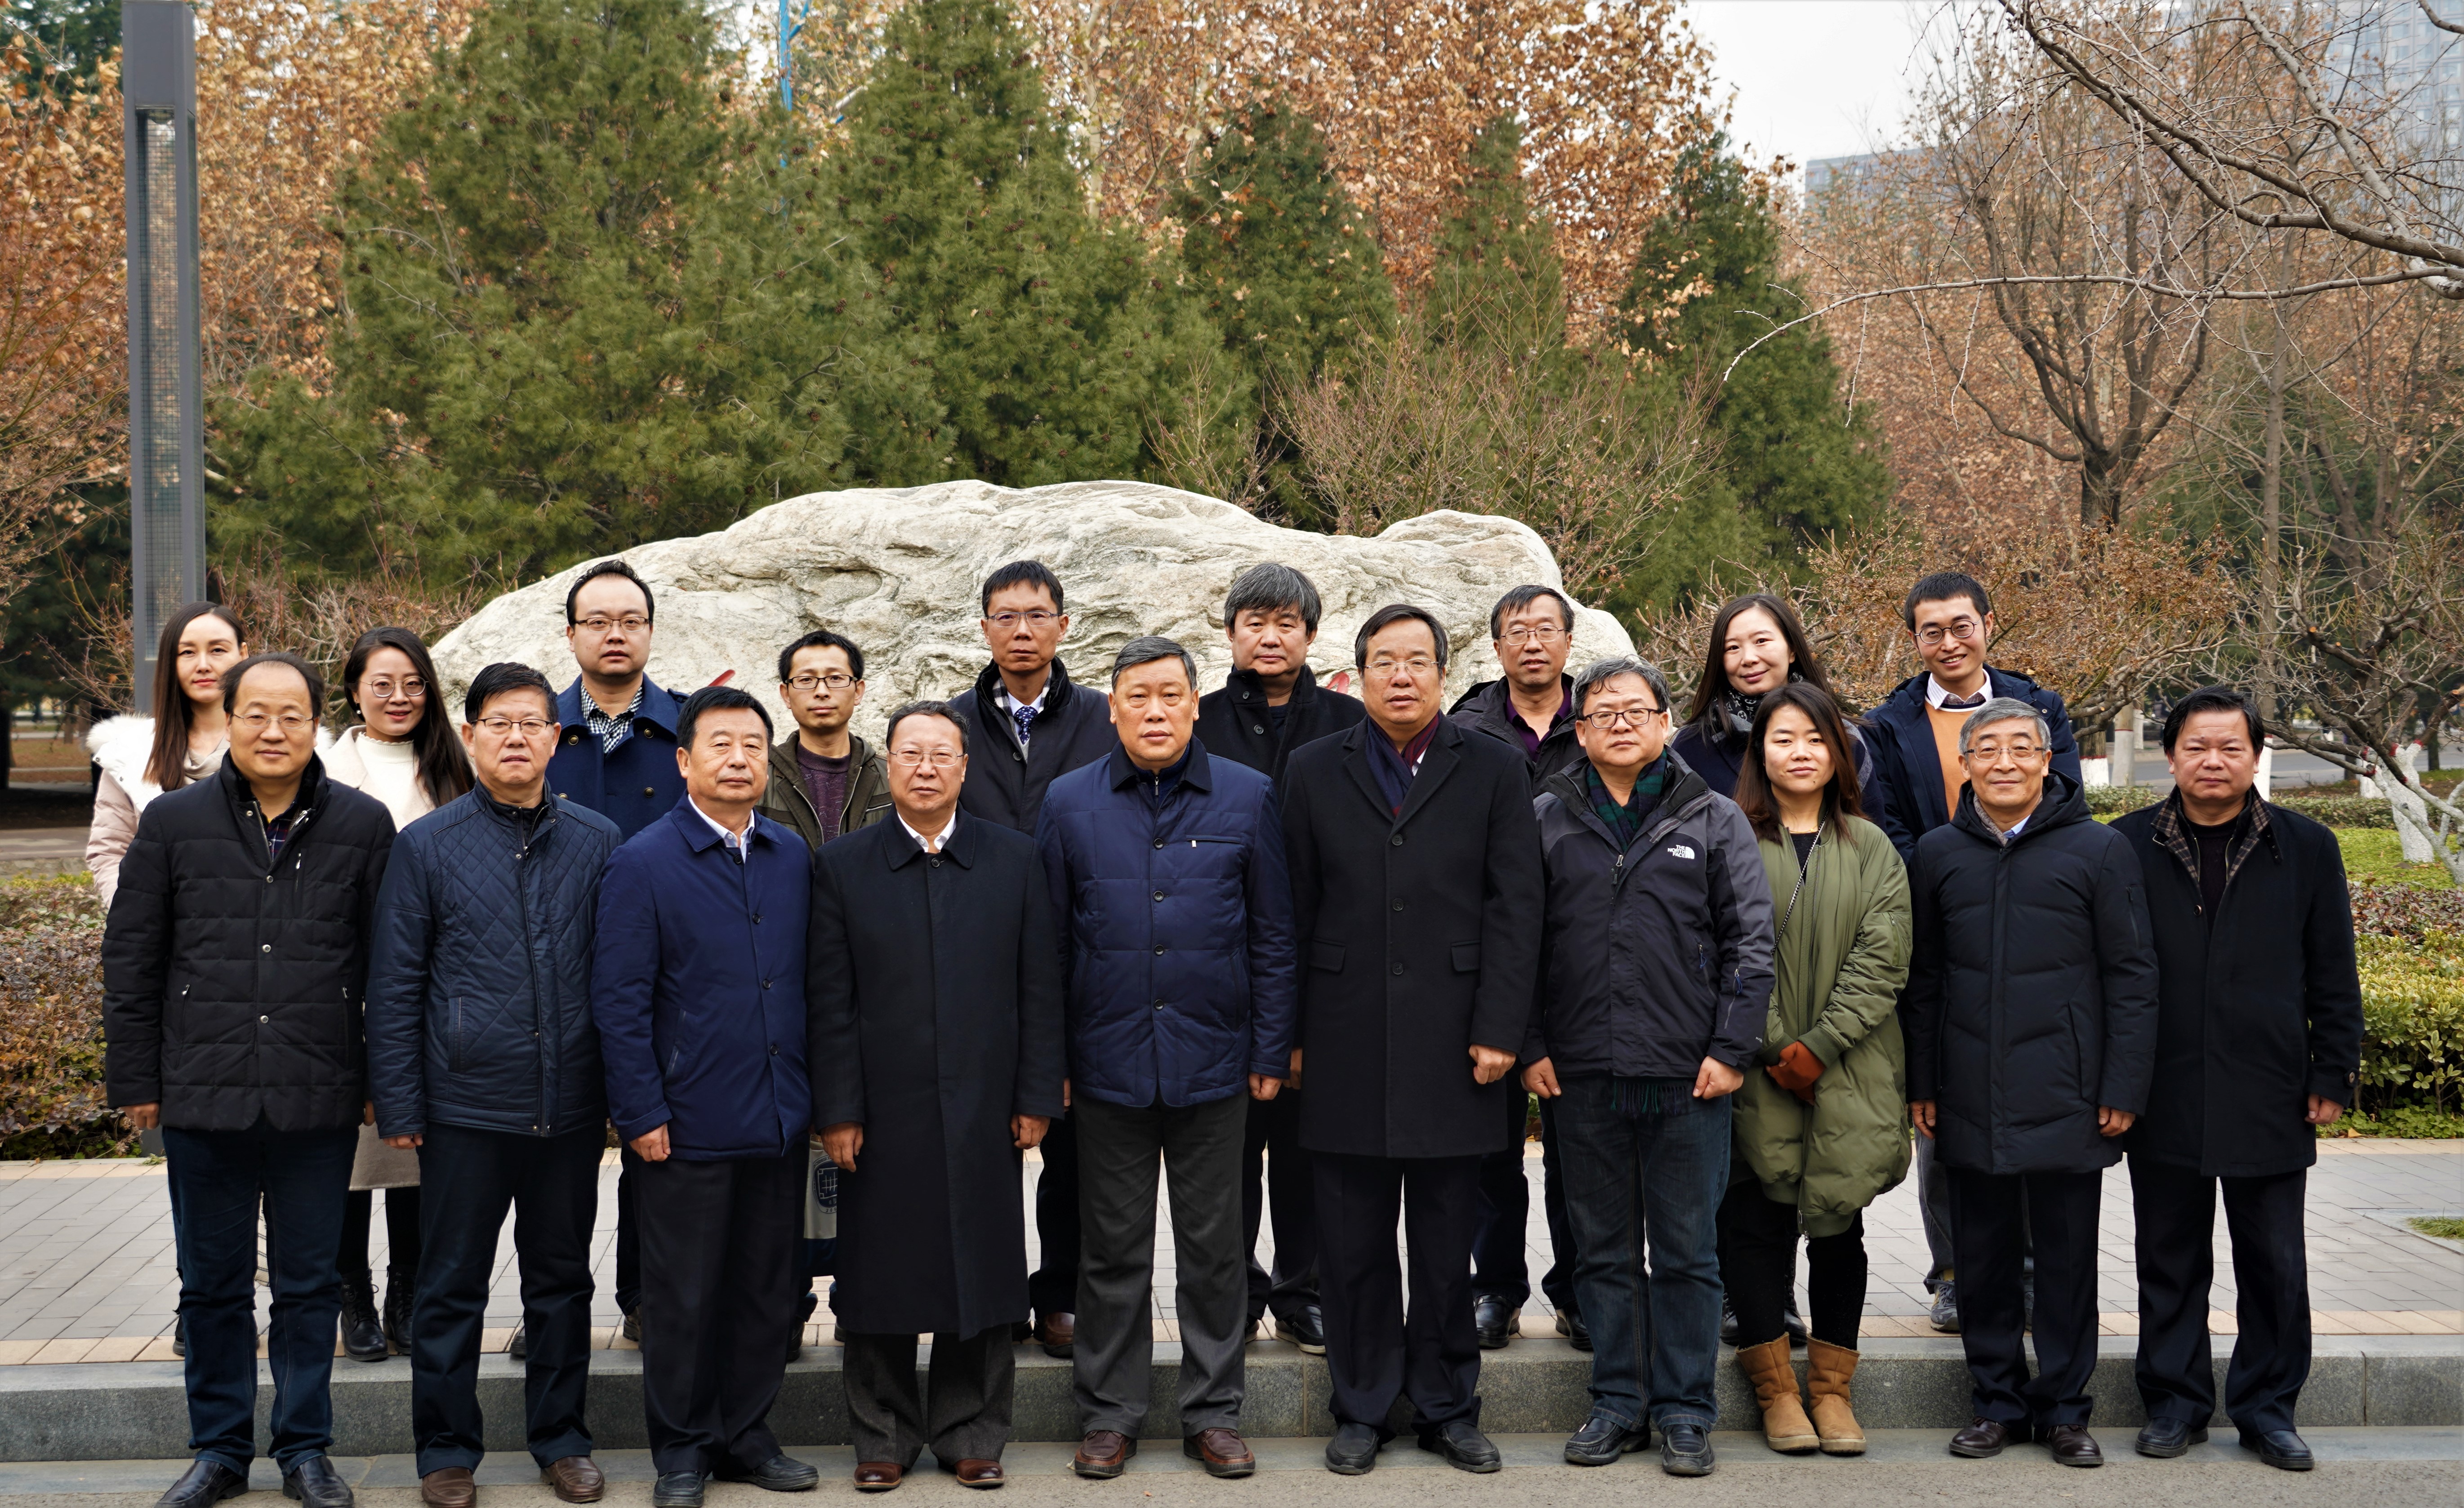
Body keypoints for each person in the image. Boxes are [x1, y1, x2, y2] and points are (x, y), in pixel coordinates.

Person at [103, 652, 396, 1508]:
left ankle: (305, 1451)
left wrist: (382, 1081)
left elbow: (388, 966)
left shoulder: (363, 825)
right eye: (256, 714)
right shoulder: (174, 822)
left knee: (309, 1287)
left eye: (292, 716)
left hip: (318, 1093)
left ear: (318, 726)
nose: (274, 731)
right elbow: (133, 959)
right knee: (212, 1288)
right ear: (227, 721)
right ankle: (220, 1451)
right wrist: (136, 1081)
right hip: (203, 1092)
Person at [1279, 604, 1544, 1477]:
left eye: (1417, 661)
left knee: (1442, 1245)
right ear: (1355, 676)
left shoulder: (1494, 767)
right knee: (1350, 1244)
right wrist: (1290, 1037)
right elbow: (1290, 911)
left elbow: (1517, 909)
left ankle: (1446, 1406)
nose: (1401, 675)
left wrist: (1501, 1029)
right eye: (1384, 661)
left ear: (1442, 673)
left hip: (1456, 1040)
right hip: (1342, 1034)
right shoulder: (1314, 768)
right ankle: (1361, 1407)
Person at [1037, 637, 1299, 1481]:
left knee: (1215, 1250)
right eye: (1137, 696)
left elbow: (1273, 934)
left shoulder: (1247, 795)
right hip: (1105, 1064)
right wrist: (1051, 1060)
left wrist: (1270, 1047)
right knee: (1111, 1251)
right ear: (1112, 707)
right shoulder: (1068, 801)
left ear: (1194, 704)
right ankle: (1108, 1415)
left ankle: (1213, 1413)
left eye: (1170, 695)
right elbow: (1045, 946)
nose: (1155, 711)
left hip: (1216, 1063)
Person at [365, 662, 621, 1508]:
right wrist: (400, 1102)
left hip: (570, 1106)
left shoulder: (598, 839)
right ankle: (445, 1451)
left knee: (563, 1283)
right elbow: (395, 984)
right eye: (500, 723)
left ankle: (563, 1440)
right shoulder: (426, 844)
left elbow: (623, 977)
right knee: (450, 1286)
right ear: (470, 735)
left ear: (558, 737)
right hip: (464, 1107)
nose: (517, 738)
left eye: (533, 723)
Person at [1522, 657, 1771, 1477]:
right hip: (1582, 1070)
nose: (1621, 722)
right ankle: (1617, 1402)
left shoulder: (1712, 815)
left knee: (1688, 1252)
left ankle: (1685, 1410)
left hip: (1688, 1074)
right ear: (1580, 731)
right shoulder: (1547, 816)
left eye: (1637, 709)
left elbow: (1749, 944)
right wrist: (1531, 1044)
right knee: (1601, 1251)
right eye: (1603, 712)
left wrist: (1730, 1050)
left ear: (1667, 723)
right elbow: (1519, 943)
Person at [809, 700, 1065, 1492]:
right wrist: (838, 1110)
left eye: (940, 754)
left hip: (986, 1101)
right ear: (887, 764)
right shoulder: (843, 864)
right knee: (878, 1268)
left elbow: (1039, 988)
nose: (925, 767)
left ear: (964, 767)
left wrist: (1035, 1095)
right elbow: (830, 999)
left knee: (982, 1265)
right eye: (909, 753)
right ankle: (881, 1435)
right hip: (880, 1110)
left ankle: (971, 1432)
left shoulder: (1014, 859)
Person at [2112, 687, 2364, 1472]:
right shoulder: (2124, 845)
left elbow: (2333, 969)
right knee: (2168, 1257)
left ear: (2257, 755)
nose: (2213, 761)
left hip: (2269, 1084)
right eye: (2197, 746)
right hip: (2164, 1085)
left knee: (2274, 1262)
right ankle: (2174, 1403)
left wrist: (2333, 1070)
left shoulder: (2306, 845)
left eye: (2230, 747)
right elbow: (2105, 971)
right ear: (2170, 756)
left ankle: (2267, 1409)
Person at [1903, 697, 2157, 1468]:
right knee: (1981, 1261)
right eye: (1988, 749)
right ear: (1965, 764)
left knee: (2066, 1263)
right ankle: (1996, 1405)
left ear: (2048, 761)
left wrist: (2122, 1085)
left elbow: (2132, 975)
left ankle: (2066, 1412)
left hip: (2069, 1091)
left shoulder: (2099, 849)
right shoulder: (1938, 852)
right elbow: (1924, 978)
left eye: (2022, 747)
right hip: (1969, 1088)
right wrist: (1923, 1080)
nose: (2005, 762)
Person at [594, 686, 817, 1508]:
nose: (738, 758)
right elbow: (620, 1001)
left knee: (765, 1290)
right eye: (720, 744)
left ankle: (747, 1435)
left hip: (777, 1114)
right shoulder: (643, 861)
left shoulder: (791, 855)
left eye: (753, 744)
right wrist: (641, 1111)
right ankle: (683, 1449)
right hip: (684, 1122)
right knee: (684, 1296)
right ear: (685, 760)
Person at [1862, 571, 2079, 1335]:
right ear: (1913, 639)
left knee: (2035, 1104)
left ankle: (2030, 1273)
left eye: (1962, 625)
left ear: (1988, 623)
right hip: (1940, 923)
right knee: (1944, 1112)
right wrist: (1952, 873)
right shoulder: (1886, 725)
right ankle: (1953, 1272)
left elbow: (2068, 802)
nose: (1949, 642)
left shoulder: (2040, 706)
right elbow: (1884, 822)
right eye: (1932, 630)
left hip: (2035, 928)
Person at [1720, 685, 1911, 1458]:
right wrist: (1774, 1046)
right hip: (1752, 1064)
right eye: (1783, 738)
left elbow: (1884, 954)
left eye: (1815, 738)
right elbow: (1723, 949)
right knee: (1753, 1223)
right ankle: (1776, 1392)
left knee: (1838, 1224)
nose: (1800, 752)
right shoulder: (1730, 836)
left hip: (1849, 1064)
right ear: (1759, 751)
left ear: (1839, 753)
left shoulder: (1871, 845)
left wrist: (1819, 1045)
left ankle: (1832, 1391)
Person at [944, 560, 1118, 1360]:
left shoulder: (1101, 719)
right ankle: (989, 1291)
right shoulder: (952, 723)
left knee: (1071, 1147)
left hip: (1077, 955)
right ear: (984, 628)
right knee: (977, 1144)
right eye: (1005, 616)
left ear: (1064, 625)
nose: (1021, 630)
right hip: (970, 960)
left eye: (1037, 615)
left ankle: (1061, 1294)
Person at [1192, 563, 1363, 1355]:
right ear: (1230, 633)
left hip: (1324, 967)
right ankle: (1233, 1292)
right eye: (1254, 622)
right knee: (1229, 1152)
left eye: (1287, 622)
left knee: (1308, 1148)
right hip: (1222, 969)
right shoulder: (1197, 721)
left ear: (1311, 635)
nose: (1270, 636)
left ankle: (1305, 1292)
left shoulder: (1348, 722)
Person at [326, 627, 474, 1365]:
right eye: (382, 683)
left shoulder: (455, 768)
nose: (399, 697)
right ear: (354, 691)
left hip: (438, 982)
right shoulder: (326, 769)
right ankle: (351, 1291)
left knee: (419, 1145)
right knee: (350, 1151)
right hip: (344, 980)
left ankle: (408, 1290)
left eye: (414, 683)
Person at [549, 558, 685, 1346]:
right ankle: (556, 1310)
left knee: (654, 1147)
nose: (614, 634)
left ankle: (646, 1296)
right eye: (597, 622)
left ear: (650, 632)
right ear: (571, 634)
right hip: (555, 975)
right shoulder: (538, 727)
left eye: (630, 621)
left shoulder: (686, 729)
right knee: (561, 1159)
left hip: (662, 980)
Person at [1448, 584, 1583, 1352]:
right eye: (1516, 631)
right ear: (1496, 646)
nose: (1532, 642)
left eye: (1545, 629)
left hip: (1580, 958)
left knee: (1579, 1143)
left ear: (1568, 640)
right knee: (1490, 1145)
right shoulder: (1465, 728)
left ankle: (1580, 1288)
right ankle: (1494, 1287)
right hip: (1489, 960)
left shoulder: (1599, 718)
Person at [1668, 592, 1897, 841]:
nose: (1749, 658)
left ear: (1792, 650)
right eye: (1732, 648)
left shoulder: (1841, 736)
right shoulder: (1692, 745)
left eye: (1762, 641)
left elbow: (1873, 839)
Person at [86, 603, 249, 911]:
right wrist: (137, 919)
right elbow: (110, 851)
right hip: (164, 932)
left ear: (243, 654)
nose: (203, 665)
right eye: (187, 652)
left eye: (217, 650)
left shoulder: (278, 746)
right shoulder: (131, 753)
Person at [758, 629, 891, 849]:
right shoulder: (758, 778)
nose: (822, 691)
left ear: (858, 691)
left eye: (836, 678)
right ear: (786, 695)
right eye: (806, 679)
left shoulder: (893, 777)